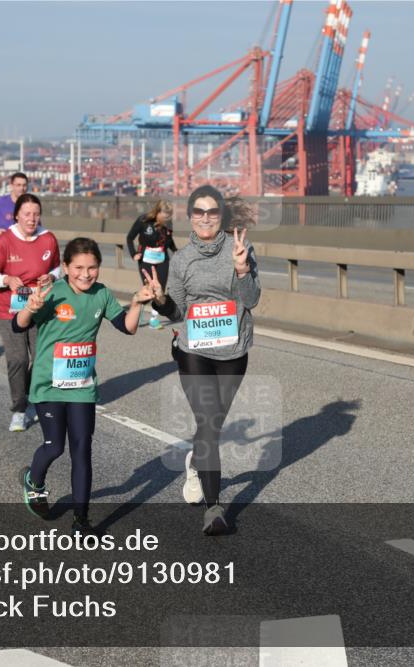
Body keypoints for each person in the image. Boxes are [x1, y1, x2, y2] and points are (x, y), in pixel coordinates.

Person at [143, 185, 260, 536]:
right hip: (194, 351)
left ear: (221, 215)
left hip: (233, 351)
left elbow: (251, 300)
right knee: (208, 424)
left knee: (213, 426)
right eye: (199, 212)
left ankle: (195, 461)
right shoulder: (182, 260)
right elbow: (176, 311)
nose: (205, 218)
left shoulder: (240, 248)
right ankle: (214, 509)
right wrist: (161, 301)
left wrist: (242, 269)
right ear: (190, 217)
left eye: (212, 212)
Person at [18, 237, 153, 534]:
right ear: (66, 267)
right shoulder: (53, 292)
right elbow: (19, 324)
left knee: (82, 450)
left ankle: (81, 520)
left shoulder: (101, 294)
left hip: (81, 386)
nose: (86, 274)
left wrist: (137, 303)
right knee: (55, 447)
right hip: (48, 385)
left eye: (92, 267)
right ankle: (34, 481)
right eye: (78, 267)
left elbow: (127, 327)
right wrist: (30, 307)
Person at [0, 193, 60, 432]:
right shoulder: (6, 240)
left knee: (42, 359)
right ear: (16, 215)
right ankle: (19, 410)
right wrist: (7, 279)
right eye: (27, 214)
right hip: (9, 310)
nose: (32, 219)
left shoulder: (48, 239)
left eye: (36, 214)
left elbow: (57, 267)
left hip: (39, 307)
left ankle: (27, 395)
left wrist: (52, 277)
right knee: (18, 359)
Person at [126, 199, 176, 329]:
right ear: (158, 212)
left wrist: (176, 251)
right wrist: (133, 254)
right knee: (149, 289)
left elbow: (169, 240)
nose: (168, 218)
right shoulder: (143, 220)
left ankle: (154, 320)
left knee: (160, 290)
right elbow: (129, 238)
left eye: (170, 215)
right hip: (146, 259)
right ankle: (135, 310)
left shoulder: (168, 223)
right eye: (166, 215)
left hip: (162, 259)